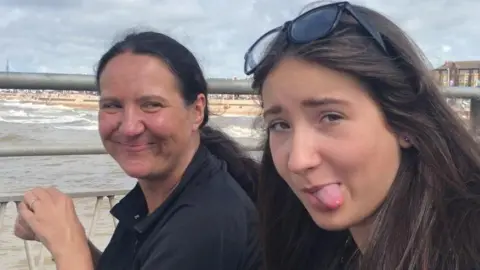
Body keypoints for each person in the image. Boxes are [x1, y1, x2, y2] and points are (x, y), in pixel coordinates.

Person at [244, 1, 480, 270]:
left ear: (405, 124)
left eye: (331, 117)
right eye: (279, 125)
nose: (298, 161)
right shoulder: (305, 243)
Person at [14, 31, 261, 270]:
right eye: (112, 105)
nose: (130, 127)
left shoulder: (206, 223)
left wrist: (67, 247)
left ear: (196, 111)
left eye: (151, 105)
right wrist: (68, 236)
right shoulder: (163, 192)